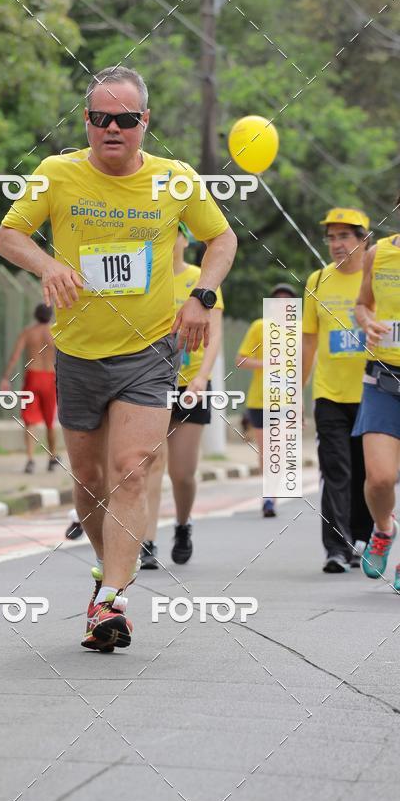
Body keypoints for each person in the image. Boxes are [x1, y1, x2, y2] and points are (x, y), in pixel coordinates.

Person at [0, 65, 237, 651]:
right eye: (101, 118)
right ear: (86, 122)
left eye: (124, 120)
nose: (112, 128)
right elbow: (8, 236)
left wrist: (202, 296)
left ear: (144, 124)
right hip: (76, 352)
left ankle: (111, 603)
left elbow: (223, 239)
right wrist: (48, 265)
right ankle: (109, 568)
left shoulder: (175, 181)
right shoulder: (57, 173)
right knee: (90, 481)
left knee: (131, 467)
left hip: (149, 349)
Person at [140, 224, 225, 569]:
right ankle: (146, 541)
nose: (168, 238)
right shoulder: (144, 278)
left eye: (174, 232)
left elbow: (214, 334)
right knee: (150, 464)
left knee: (182, 472)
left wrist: (202, 378)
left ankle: (183, 524)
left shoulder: (202, 280)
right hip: (150, 384)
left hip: (191, 385)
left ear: (185, 240)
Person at [302, 208, 373, 573]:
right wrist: (294, 392)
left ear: (364, 239)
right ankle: (336, 547)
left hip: (373, 393)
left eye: (344, 236)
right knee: (335, 470)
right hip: (329, 394)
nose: (336, 244)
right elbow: (309, 342)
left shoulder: (378, 278)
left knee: (368, 474)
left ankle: (362, 538)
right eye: (331, 237)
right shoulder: (316, 280)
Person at [353, 229, 400, 588]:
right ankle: (384, 528)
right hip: (384, 377)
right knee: (380, 477)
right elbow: (362, 303)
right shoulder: (379, 253)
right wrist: (367, 322)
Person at [236, 283, 297, 518]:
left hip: (286, 401)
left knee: (279, 448)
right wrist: (266, 364)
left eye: (287, 301)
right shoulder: (260, 327)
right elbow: (240, 360)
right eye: (277, 301)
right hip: (260, 400)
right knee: (267, 450)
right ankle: (268, 494)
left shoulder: (299, 330)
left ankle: (271, 495)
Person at [0, 303, 60, 473]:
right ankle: (52, 457)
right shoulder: (55, 333)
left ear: (36, 315)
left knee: (29, 420)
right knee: (50, 421)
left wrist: (6, 377)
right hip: (50, 378)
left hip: (32, 377)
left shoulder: (28, 333)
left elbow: (15, 356)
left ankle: (30, 459)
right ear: (50, 315)